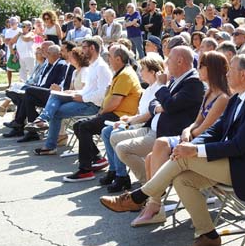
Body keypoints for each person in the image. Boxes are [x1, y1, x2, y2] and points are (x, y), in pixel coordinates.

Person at [99, 54, 245, 246]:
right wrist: (191, 145)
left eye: (231, 69)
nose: (227, 73)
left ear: (243, 74)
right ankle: (208, 236)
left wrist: (194, 151)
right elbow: (215, 130)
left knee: (185, 158)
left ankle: (139, 196)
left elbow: (239, 146)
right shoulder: (239, 96)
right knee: (182, 179)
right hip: (235, 162)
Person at [131, 51, 230, 225]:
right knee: (150, 158)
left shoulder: (222, 97)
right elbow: (197, 122)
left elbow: (207, 129)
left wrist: (190, 133)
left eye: (201, 66)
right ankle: (155, 206)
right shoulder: (209, 93)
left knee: (161, 144)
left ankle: (152, 204)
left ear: (211, 69)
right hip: (193, 136)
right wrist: (188, 129)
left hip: (206, 144)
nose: (197, 69)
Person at [100, 46, 205, 187]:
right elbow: (156, 102)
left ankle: (148, 186)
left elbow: (170, 105)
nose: (166, 64)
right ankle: (150, 184)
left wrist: (162, 87)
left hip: (167, 135)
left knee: (122, 148)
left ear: (180, 61)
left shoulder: (193, 83)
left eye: (170, 60)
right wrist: (159, 106)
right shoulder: (177, 79)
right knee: (113, 136)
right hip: (155, 128)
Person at [63, 44, 142, 182]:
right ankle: (98, 159)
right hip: (114, 113)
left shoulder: (125, 75)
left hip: (120, 115)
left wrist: (100, 113)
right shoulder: (120, 73)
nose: (108, 59)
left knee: (85, 127)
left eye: (110, 57)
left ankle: (85, 170)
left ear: (118, 59)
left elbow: (114, 102)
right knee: (78, 126)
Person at [27, 40, 111, 154]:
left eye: (84, 47)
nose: (82, 50)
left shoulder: (101, 67)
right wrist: (71, 93)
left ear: (92, 48)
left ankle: (49, 142)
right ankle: (42, 120)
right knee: (55, 95)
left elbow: (103, 93)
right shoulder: (92, 66)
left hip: (92, 105)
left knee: (55, 112)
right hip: (83, 98)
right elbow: (87, 89)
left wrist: (82, 97)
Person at [99, 56, 165, 192]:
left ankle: (140, 181)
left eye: (143, 69)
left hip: (147, 126)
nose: (140, 72)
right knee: (107, 132)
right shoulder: (147, 90)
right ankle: (116, 171)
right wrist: (127, 118)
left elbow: (149, 115)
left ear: (152, 72)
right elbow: (141, 112)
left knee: (114, 133)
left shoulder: (159, 88)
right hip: (140, 123)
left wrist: (130, 120)